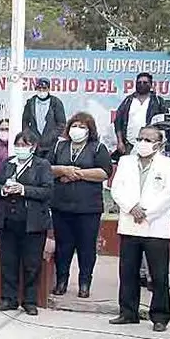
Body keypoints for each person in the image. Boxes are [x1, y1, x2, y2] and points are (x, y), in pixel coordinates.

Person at [109, 126, 170, 332]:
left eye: (148, 140)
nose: (143, 142)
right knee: (128, 271)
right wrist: (131, 207)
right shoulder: (126, 161)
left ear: (159, 144)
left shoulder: (169, 165)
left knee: (158, 274)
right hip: (130, 222)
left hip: (154, 225)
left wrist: (147, 213)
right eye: (140, 138)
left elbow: (169, 193)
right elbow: (117, 188)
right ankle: (127, 312)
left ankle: (160, 316)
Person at [48, 112, 113, 298]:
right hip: (61, 206)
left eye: (82, 127)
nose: (78, 130)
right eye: (75, 126)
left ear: (89, 130)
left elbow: (104, 172)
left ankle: (85, 283)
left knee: (86, 247)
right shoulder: (60, 146)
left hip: (88, 208)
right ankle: (61, 281)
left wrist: (77, 173)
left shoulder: (97, 147)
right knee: (63, 246)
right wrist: (62, 170)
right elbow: (46, 168)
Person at [0, 131, 54, 315]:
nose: (20, 149)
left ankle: (30, 300)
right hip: (8, 221)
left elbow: (47, 191)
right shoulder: (8, 163)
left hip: (32, 223)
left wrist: (23, 190)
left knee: (31, 263)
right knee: (8, 261)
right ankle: (8, 298)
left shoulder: (42, 165)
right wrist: (3, 189)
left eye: (24, 145)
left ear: (33, 147)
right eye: (18, 145)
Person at [111, 72, 167, 159]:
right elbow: (118, 122)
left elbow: (164, 124)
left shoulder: (158, 101)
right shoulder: (128, 100)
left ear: (151, 85)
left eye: (145, 83)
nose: (141, 84)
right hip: (129, 145)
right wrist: (120, 142)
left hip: (150, 145)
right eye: (139, 82)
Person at [22, 78, 67, 158]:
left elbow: (61, 124)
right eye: (39, 88)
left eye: (44, 88)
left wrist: (50, 137)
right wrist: (30, 136)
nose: (41, 90)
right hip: (34, 146)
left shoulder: (56, 102)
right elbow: (25, 122)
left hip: (51, 145)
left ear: (49, 88)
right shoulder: (30, 102)